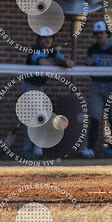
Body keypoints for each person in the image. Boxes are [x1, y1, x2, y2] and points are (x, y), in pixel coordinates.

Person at [23, 27, 75, 159]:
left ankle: (32, 150)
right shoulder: (36, 50)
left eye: (50, 37)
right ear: (39, 40)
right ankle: (32, 150)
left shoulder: (52, 51)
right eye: (45, 38)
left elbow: (69, 62)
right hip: (29, 86)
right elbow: (43, 63)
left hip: (39, 87)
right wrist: (59, 64)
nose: (48, 40)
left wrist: (64, 61)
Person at [81, 21, 112, 158]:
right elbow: (87, 63)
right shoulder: (92, 49)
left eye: (101, 33)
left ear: (107, 33)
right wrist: (88, 63)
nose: (99, 36)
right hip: (96, 85)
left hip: (111, 86)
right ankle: (90, 148)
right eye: (97, 34)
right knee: (95, 117)